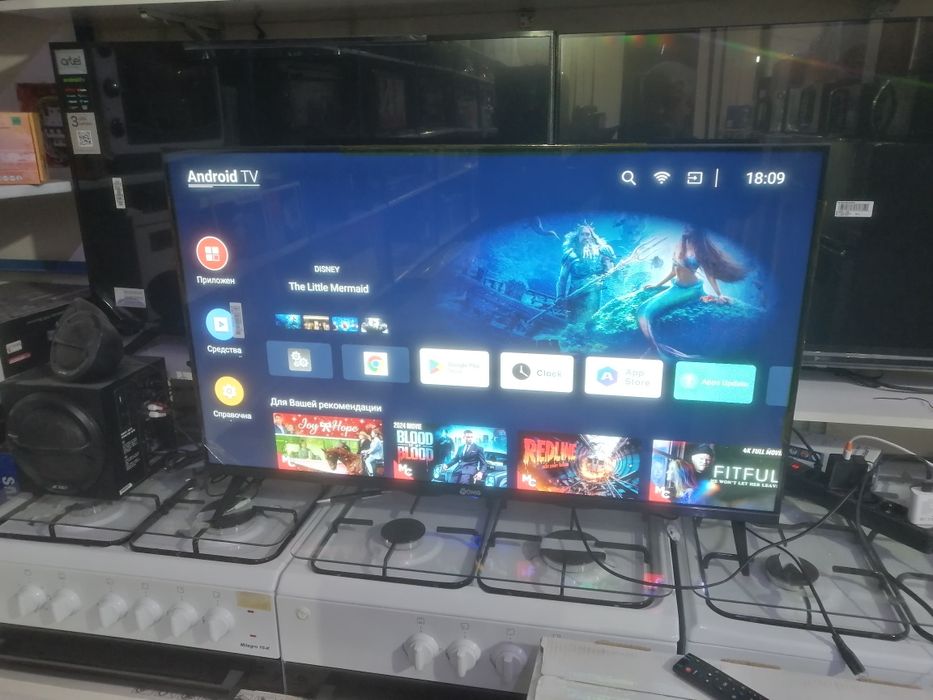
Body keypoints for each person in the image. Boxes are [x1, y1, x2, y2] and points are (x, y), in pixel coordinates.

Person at [637, 226, 746, 358]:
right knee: (642, 309)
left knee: (647, 312)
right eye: (686, 227)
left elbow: (710, 274)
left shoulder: (701, 250)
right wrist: (657, 285)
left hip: (691, 289)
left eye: (690, 227)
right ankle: (658, 349)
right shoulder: (679, 245)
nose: (686, 228)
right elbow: (673, 271)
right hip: (677, 286)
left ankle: (660, 352)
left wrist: (719, 294)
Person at [555, 222, 618, 322]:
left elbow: (610, 272)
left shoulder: (602, 251)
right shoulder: (570, 255)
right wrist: (560, 296)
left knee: (592, 321)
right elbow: (562, 279)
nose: (585, 237)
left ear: (592, 236)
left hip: (595, 293)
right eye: (582, 234)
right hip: (575, 295)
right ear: (578, 237)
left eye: (587, 234)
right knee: (573, 323)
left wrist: (611, 269)